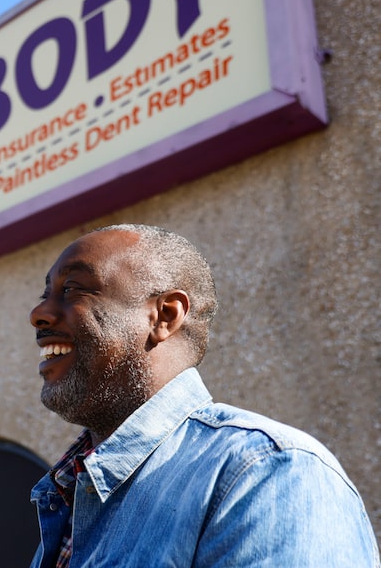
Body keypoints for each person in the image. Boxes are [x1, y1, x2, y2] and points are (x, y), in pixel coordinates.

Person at [28, 224, 379, 567]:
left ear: (165, 315)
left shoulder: (262, 471)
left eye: (73, 288)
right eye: (46, 295)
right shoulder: (66, 495)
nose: (39, 314)